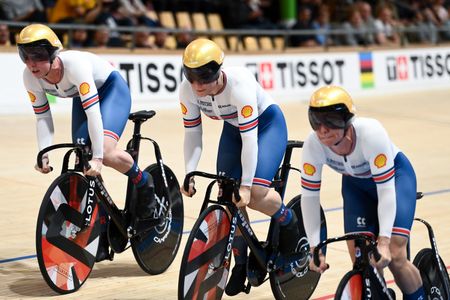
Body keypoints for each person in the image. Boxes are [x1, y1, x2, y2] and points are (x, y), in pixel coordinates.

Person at [17, 23, 155, 262]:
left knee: (108, 154)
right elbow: (42, 117)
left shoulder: (75, 66)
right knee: (83, 158)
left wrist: (99, 157)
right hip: (82, 99)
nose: (31, 64)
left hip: (110, 90)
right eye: (25, 57)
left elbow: (94, 115)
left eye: (37, 57)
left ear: (52, 55)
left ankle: (144, 183)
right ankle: (102, 227)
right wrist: (43, 152)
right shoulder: (30, 77)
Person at [179, 38, 301, 296]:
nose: (197, 87)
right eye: (192, 79)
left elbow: (250, 141)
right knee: (227, 196)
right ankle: (241, 263)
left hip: (266, 127)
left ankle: (288, 221)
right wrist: (189, 171)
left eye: (203, 80)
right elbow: (192, 134)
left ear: (217, 72)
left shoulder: (239, 86)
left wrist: (246, 186)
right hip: (234, 129)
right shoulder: (187, 90)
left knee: (253, 194)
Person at [300, 85, 425, 299]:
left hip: (395, 180)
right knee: (362, 261)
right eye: (316, 121)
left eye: (330, 121)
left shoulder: (371, 133)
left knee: (394, 256)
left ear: (347, 121)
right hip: (356, 188)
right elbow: (310, 198)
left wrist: (384, 241)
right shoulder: (313, 146)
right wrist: (314, 247)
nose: (322, 129)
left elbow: (386, 191)